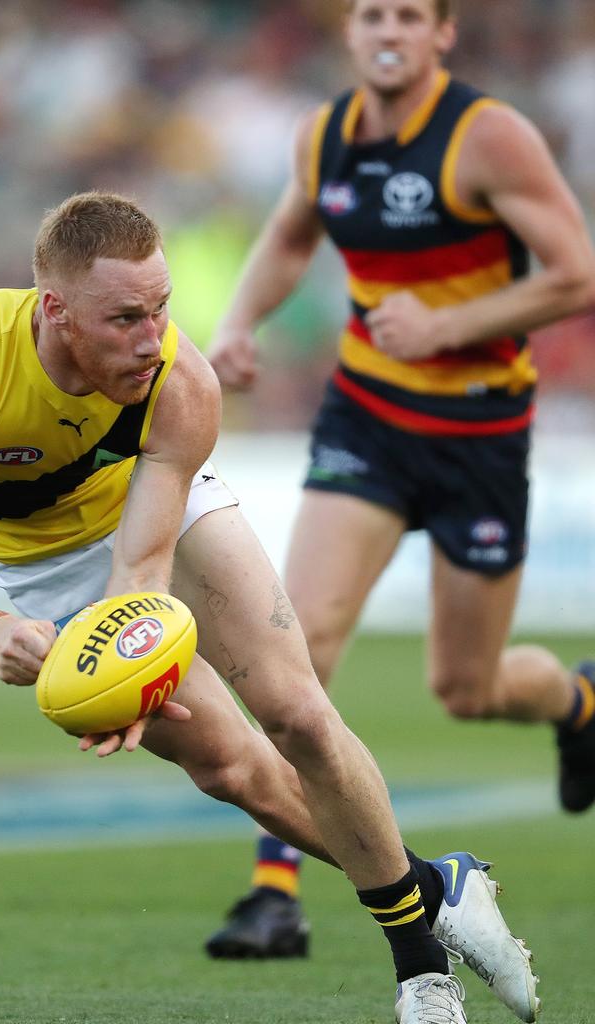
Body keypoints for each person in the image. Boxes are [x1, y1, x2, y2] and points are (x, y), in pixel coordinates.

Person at [0, 190, 540, 1023]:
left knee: (298, 716)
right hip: (43, 561)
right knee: (231, 769)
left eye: (163, 309)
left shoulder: (180, 382)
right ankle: (437, 885)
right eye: (126, 319)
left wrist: (128, 657)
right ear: (56, 310)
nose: (153, 338)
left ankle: (418, 965)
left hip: (162, 520)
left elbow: (142, 563)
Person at [207, 0, 595, 967]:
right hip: (367, 424)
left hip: (479, 435)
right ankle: (274, 892)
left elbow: (575, 272)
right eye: (373, 12)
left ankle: (580, 706)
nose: (390, 29)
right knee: (297, 644)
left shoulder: (488, 137)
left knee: (468, 686)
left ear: (442, 35)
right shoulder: (326, 134)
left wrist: (450, 325)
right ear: (352, 32)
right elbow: (292, 235)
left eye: (410, 15)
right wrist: (241, 322)